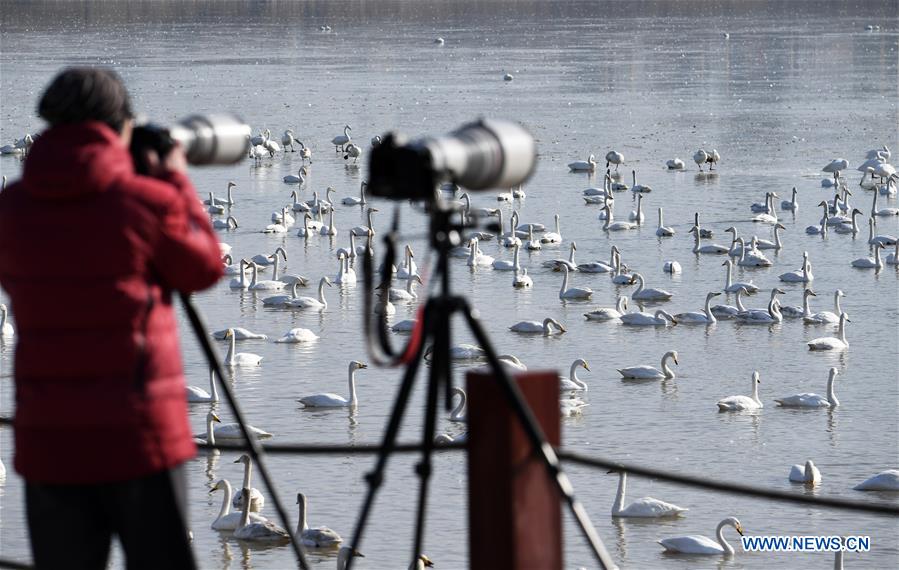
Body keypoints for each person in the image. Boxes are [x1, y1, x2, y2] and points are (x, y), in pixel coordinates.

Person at [0, 67, 223, 569]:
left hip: (48, 443)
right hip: (139, 440)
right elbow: (205, 268)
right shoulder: (143, 203)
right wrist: (173, 180)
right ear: (119, 126)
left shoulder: (10, 209)